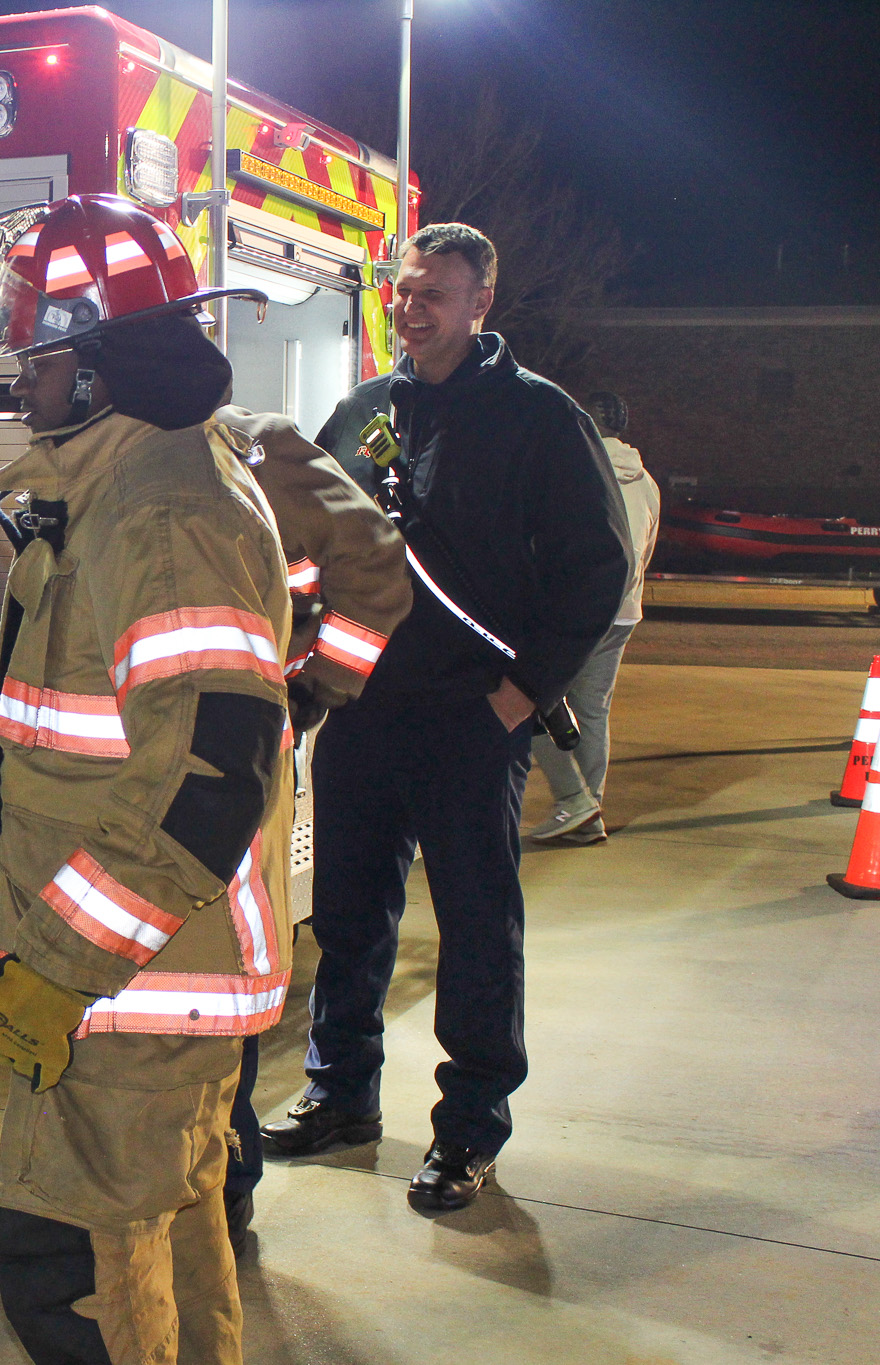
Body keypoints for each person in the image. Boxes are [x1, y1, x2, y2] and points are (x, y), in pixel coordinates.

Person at [0, 193, 295, 1365]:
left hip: (123, 988)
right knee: (166, 1249)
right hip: (128, 983)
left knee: (77, 1275)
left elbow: (206, 782)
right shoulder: (125, 487)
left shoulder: (162, 512)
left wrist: (53, 972)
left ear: (96, 367)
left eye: (32, 361)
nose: (15, 386)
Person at [261, 223, 630, 1212]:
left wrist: (521, 693)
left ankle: (469, 1125)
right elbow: (313, 545)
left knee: (474, 927)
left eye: (433, 293)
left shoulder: (537, 417)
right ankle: (340, 1094)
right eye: (402, 289)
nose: (409, 307)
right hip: (362, 710)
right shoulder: (361, 412)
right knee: (346, 915)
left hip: (473, 718)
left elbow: (597, 568)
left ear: (479, 304)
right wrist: (308, 666)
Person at [208, 405, 413, 1248]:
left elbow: (377, 568)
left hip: (239, 763)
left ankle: (226, 1191)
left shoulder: (254, 449)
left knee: (219, 969)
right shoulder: (89, 460)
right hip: (120, 772)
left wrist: (318, 685)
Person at [527, 390, 660, 845]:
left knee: (528, 700)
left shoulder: (580, 469)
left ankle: (574, 801)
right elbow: (645, 549)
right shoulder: (646, 481)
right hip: (623, 612)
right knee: (593, 713)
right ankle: (588, 811)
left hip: (575, 611)